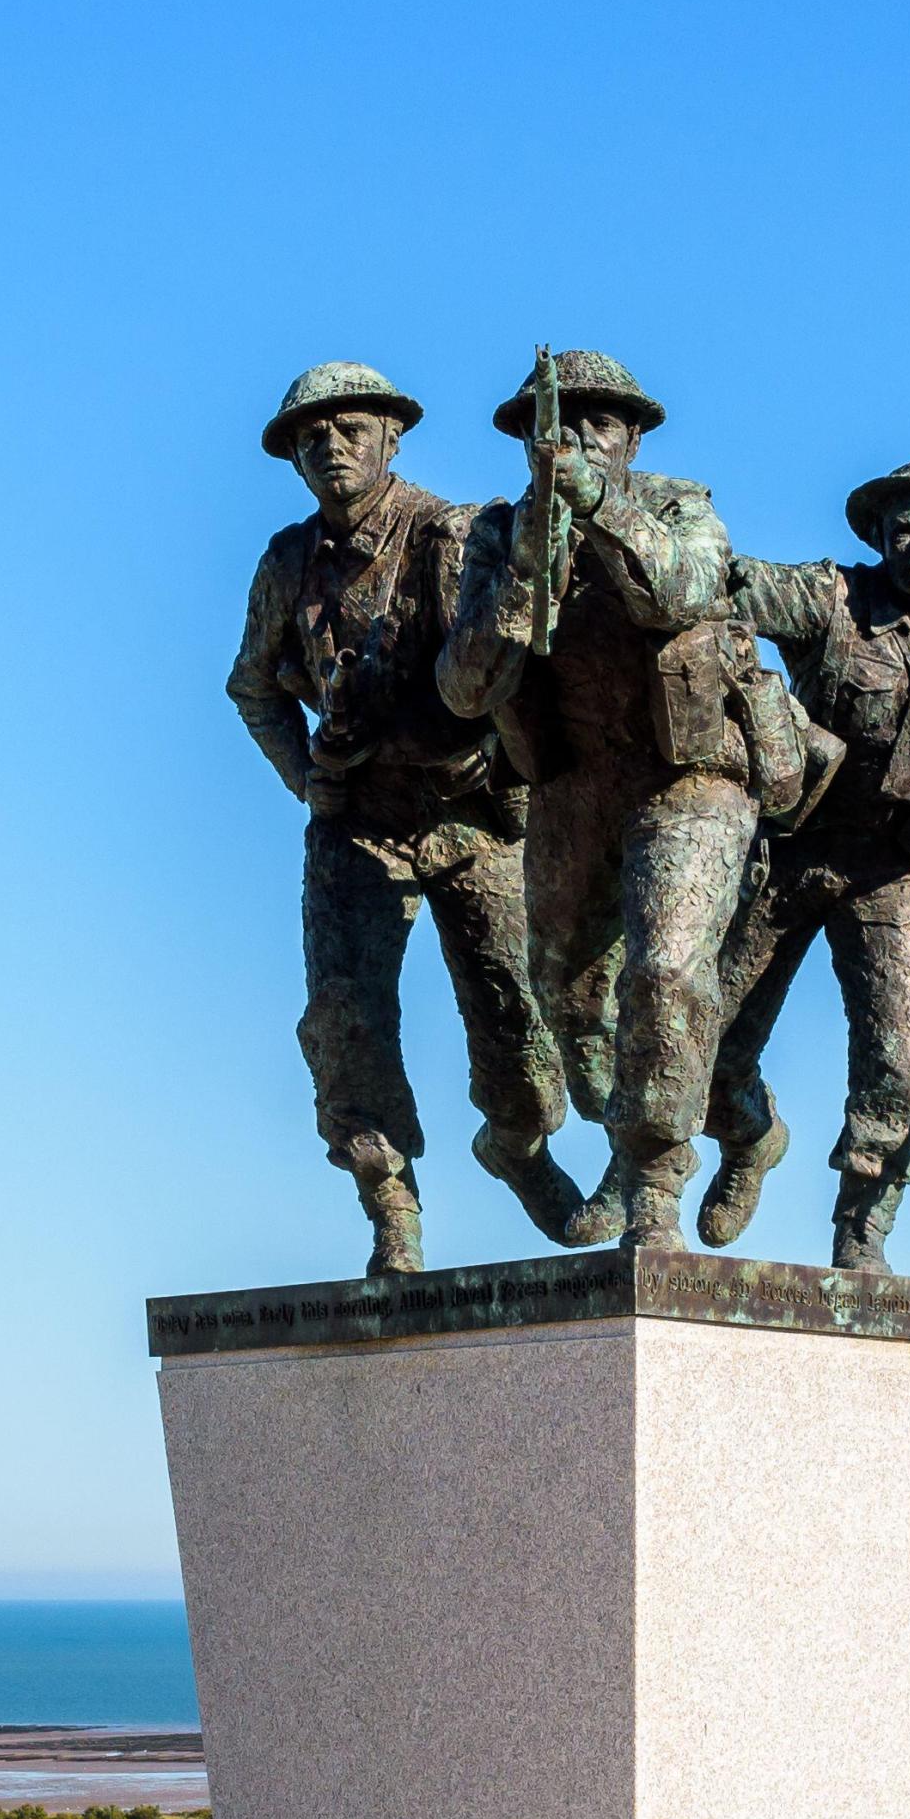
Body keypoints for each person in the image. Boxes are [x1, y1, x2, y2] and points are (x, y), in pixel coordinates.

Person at [436, 349, 803, 1248]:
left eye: (597, 423)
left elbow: (682, 593)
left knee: (668, 973)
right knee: (568, 997)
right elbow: (462, 688)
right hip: (576, 783)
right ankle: (659, 1134)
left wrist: (598, 505)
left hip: (690, 779)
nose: (569, 439)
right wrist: (525, 571)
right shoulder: (499, 534)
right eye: (549, 427)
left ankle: (652, 1183)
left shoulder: (683, 507)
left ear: (632, 437)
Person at [225, 361, 582, 1276]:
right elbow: (253, 689)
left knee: (517, 1020)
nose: (331, 447)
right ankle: (391, 1205)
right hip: (357, 823)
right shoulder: (286, 562)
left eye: (352, 430)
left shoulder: (451, 536)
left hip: (470, 817)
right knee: (344, 1022)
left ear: (392, 437)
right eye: (313, 436)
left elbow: (513, 669)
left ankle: (520, 1143)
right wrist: (309, 780)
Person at [708, 462, 910, 1271]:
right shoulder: (833, 600)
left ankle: (863, 1228)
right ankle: (750, 1135)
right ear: (879, 536)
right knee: (703, 1040)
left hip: (902, 873)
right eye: (903, 530)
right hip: (793, 854)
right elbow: (731, 585)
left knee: (894, 1072)